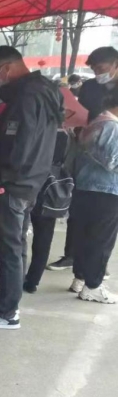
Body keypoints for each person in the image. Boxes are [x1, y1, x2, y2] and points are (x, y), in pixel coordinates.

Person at [0, 46, 62, 330]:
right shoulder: (45, 92)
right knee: (16, 244)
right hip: (30, 181)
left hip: (12, 184)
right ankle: (7, 297)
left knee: (9, 248)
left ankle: (7, 313)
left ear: (8, 68)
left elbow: (18, 147)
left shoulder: (26, 97)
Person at [48, 46, 118, 271]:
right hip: (85, 149)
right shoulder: (90, 87)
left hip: (111, 159)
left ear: (115, 64)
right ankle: (72, 256)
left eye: (101, 68)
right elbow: (81, 114)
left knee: (105, 222)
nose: (98, 73)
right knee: (79, 213)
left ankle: (97, 267)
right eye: (94, 69)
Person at [68, 89, 118, 304]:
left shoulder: (95, 123)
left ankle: (80, 278)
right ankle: (93, 286)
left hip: (86, 187)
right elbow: (113, 161)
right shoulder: (111, 126)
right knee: (101, 240)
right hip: (105, 190)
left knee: (84, 236)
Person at [23, 128, 70, 293]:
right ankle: (33, 281)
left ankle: (11, 276)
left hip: (29, 182)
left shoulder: (36, 129)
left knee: (17, 234)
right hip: (51, 188)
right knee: (43, 238)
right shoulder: (65, 135)